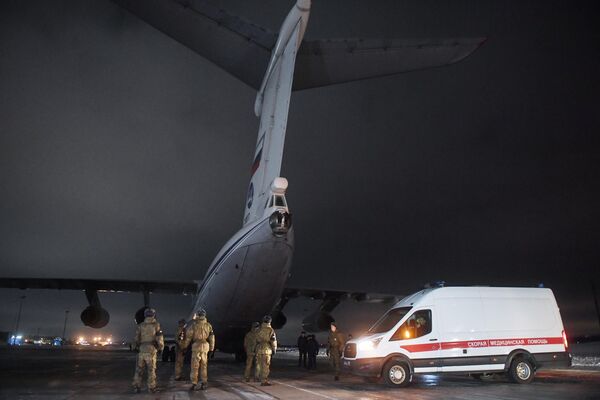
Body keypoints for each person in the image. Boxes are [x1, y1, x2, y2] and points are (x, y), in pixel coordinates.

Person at [132, 308, 164, 393]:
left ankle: (136, 387)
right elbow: (159, 337)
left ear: (145, 315)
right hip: (151, 350)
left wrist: (134, 347)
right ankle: (151, 387)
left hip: (142, 350)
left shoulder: (141, 325)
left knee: (139, 369)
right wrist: (161, 348)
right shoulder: (156, 325)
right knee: (151, 370)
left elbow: (136, 338)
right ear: (154, 315)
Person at [182, 309, 215, 391]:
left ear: (198, 315)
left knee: (194, 366)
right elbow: (212, 338)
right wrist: (211, 349)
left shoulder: (194, 325)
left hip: (196, 346)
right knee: (204, 366)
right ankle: (204, 383)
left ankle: (194, 383)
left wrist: (184, 347)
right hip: (205, 347)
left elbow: (188, 337)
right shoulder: (208, 325)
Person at [255, 315, 277, 386]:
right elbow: (273, 340)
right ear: (270, 321)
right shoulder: (270, 330)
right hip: (266, 349)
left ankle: (257, 377)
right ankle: (264, 381)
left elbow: (255, 339)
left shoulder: (258, 329)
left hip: (258, 348)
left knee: (259, 365)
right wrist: (274, 349)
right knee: (265, 366)